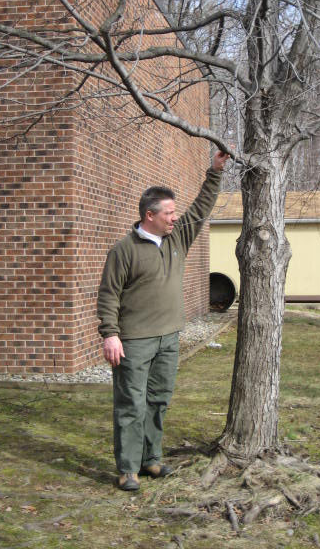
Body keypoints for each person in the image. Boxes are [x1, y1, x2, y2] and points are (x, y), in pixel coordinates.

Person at [97, 150, 229, 491]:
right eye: (168, 213)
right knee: (131, 404)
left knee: (158, 400)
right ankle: (127, 468)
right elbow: (109, 294)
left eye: (174, 212)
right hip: (135, 340)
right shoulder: (123, 250)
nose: (174, 218)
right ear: (149, 215)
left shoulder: (177, 239)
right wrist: (110, 335)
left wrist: (214, 172)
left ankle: (151, 459)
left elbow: (201, 208)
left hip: (169, 337)